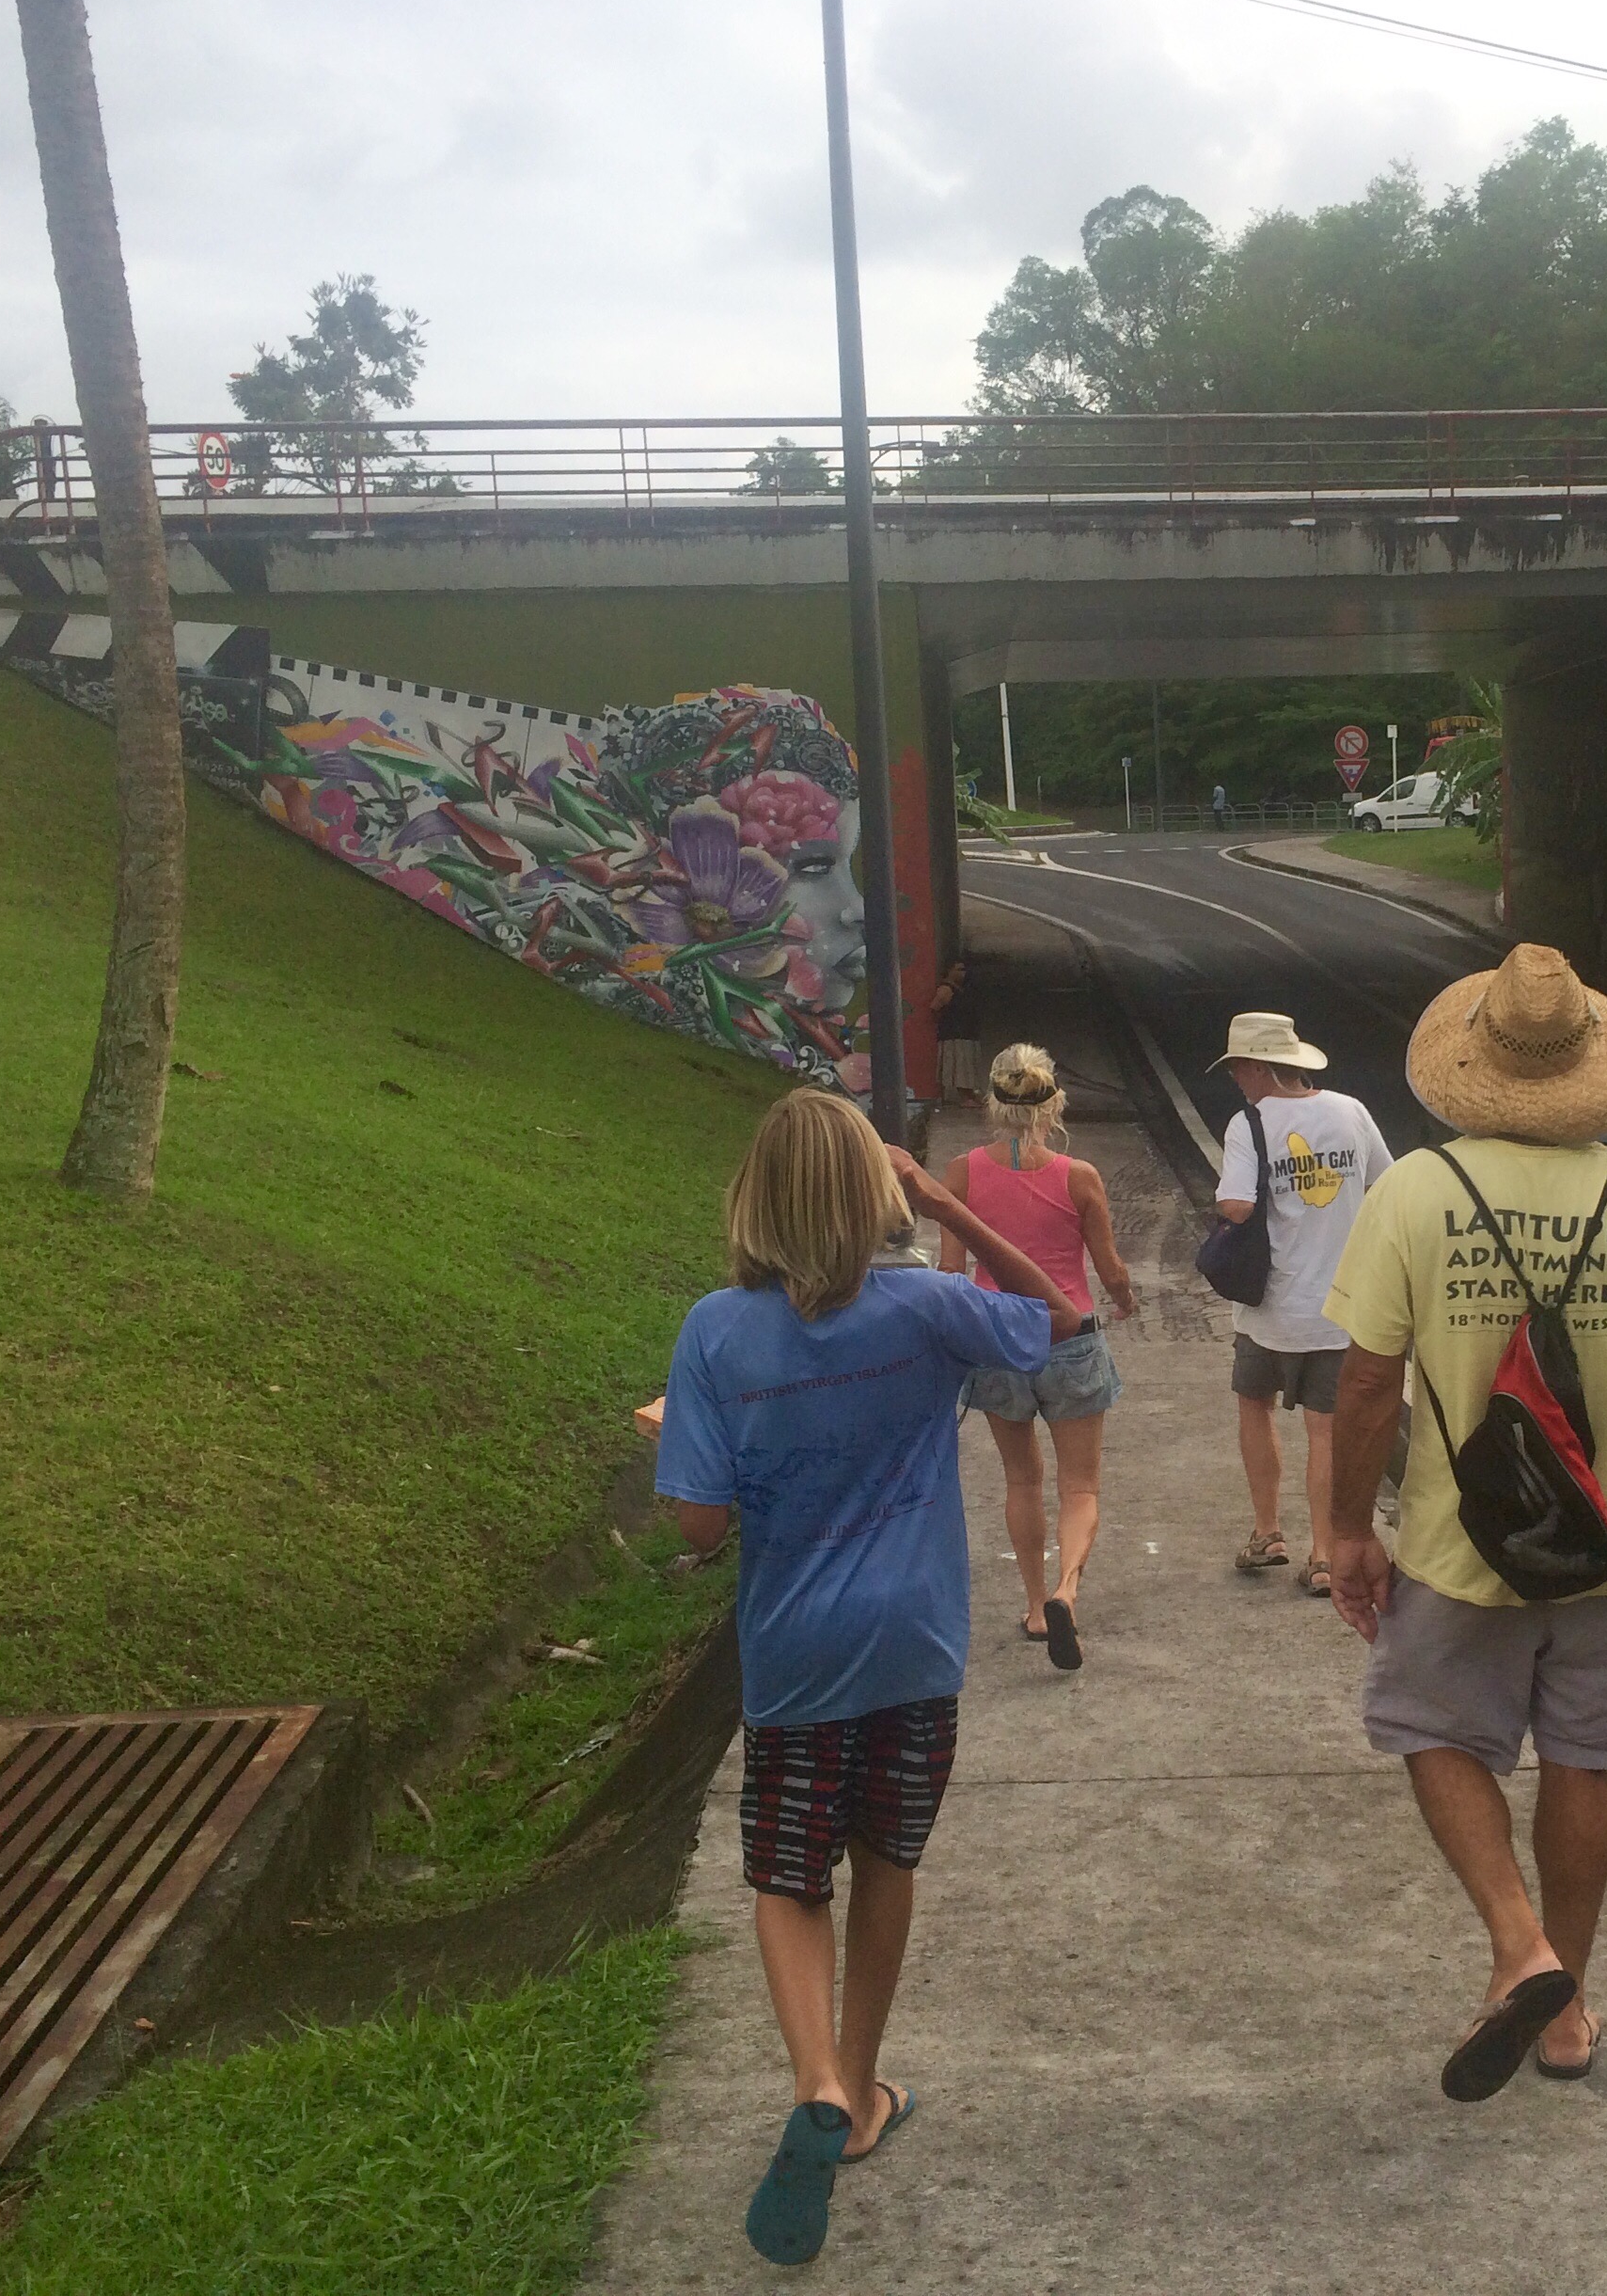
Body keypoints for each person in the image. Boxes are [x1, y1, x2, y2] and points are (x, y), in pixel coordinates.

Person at [1320, 943, 1607, 2100]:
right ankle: (1567, 2018)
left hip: (1460, 1546)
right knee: (1584, 1762)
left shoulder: (1417, 1192)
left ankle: (1520, 1949)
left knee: (1430, 1728)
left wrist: (1347, 1530)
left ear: (1476, 1060)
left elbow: (1365, 1383)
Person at [652, 1089, 1082, 2267]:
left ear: (755, 1198)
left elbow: (698, 1525)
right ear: (874, 1195)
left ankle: (818, 2084)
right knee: (889, 1856)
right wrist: (948, 1204)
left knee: (791, 1875)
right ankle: (864, 2087)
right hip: (915, 1642)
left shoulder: (715, 1332)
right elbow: (1058, 1319)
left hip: (797, 1653)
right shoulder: (929, 1305)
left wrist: (684, 1441)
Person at [940, 1042, 1138, 1671]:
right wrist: (1125, 1299)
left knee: (1021, 1479)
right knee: (1080, 1485)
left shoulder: (962, 1175)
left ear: (990, 1105)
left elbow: (950, 1273)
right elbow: (1110, 1268)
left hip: (998, 1339)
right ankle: (1066, 1593)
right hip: (1069, 1337)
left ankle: (1032, 1605)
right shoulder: (1079, 1177)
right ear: (1055, 1104)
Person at [1212, 1011, 1392, 1595]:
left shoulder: (1249, 1124)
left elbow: (1236, 1205)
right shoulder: (1350, 1111)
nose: (1236, 1079)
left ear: (1259, 1068)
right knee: (1327, 1431)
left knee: (1254, 1405)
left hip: (1269, 1307)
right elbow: (1384, 1184)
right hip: (1340, 1306)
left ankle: (1268, 1532)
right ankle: (1323, 1555)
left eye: (1238, 1068)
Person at [932, 959, 983, 1106]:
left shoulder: (961, 988)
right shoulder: (946, 989)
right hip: (954, 1034)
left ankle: (970, 1094)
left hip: (966, 1033)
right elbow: (935, 1008)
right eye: (959, 970)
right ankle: (963, 1097)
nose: (963, 973)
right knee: (959, 1067)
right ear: (950, 971)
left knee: (967, 1066)